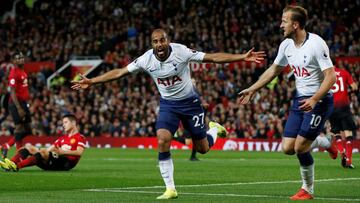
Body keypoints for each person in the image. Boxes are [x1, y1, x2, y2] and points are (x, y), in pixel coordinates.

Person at [72, 28, 265, 199]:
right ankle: (170, 189)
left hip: (191, 104)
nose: (159, 44)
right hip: (168, 105)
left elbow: (212, 57)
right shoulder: (146, 59)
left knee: (202, 149)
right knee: (163, 138)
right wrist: (92, 81)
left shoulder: (181, 52)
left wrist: (241, 56)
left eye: (162, 40)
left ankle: (213, 130)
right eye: (155, 41)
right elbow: (120, 72)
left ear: (168, 40)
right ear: (152, 44)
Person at [239, 5, 336, 200]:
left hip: (320, 100)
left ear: (296, 24)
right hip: (300, 101)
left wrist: (315, 98)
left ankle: (307, 189)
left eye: (284, 21)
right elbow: (274, 70)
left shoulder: (316, 43)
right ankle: (326, 142)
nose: (280, 25)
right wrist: (252, 88)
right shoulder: (286, 45)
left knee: (301, 147)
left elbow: (331, 77)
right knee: (287, 148)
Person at [0, 114, 86, 171]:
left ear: (73, 123)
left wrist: (63, 152)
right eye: (63, 123)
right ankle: (10, 164)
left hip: (66, 163)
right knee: (29, 146)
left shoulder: (80, 137)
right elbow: (48, 150)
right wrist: (33, 150)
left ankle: (17, 166)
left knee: (43, 151)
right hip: (53, 161)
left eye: (65, 122)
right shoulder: (62, 138)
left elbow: (79, 152)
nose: (63, 125)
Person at [0, 51, 32, 159]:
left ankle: (6, 145)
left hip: (23, 103)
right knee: (19, 128)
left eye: (22, 57)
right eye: (18, 58)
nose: (21, 59)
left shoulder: (23, 72)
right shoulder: (14, 72)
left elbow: (23, 89)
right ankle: (19, 155)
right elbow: (12, 91)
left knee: (28, 129)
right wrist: (19, 108)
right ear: (14, 61)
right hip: (15, 104)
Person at [328, 63, 358, 169]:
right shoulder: (344, 73)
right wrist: (348, 92)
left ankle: (342, 152)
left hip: (331, 107)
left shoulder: (326, 75)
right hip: (344, 107)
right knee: (348, 134)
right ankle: (349, 160)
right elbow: (354, 87)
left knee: (336, 133)